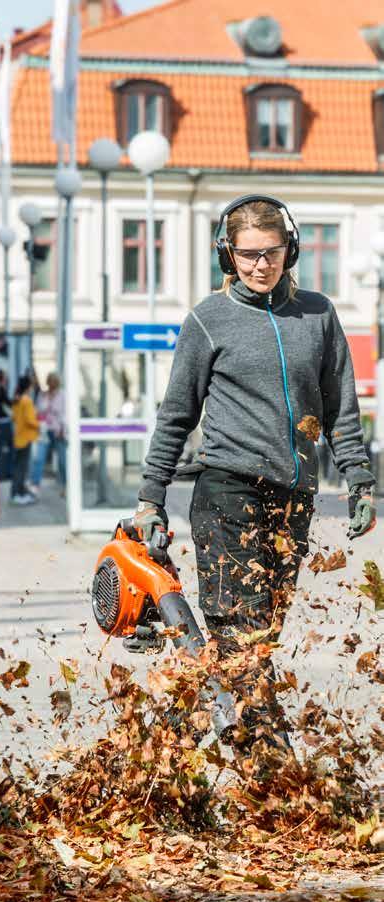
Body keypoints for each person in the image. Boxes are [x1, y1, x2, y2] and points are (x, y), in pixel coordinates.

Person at [133, 194, 376, 745]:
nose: (260, 264)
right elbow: (176, 416)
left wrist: (359, 478)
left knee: (257, 633)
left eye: (272, 252)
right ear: (228, 255)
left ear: (290, 251)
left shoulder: (318, 313)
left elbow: (340, 404)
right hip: (226, 490)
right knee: (242, 637)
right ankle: (271, 770)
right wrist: (151, 498)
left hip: (293, 496)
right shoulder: (208, 319)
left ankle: (162, 754)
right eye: (248, 254)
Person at [29, 372, 67, 495]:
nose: (51, 383)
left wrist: (63, 428)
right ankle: (35, 484)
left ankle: (66, 485)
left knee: (62, 460)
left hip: (58, 430)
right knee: (39, 458)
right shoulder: (42, 395)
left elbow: (65, 413)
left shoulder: (63, 395)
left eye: (53, 381)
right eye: (49, 381)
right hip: (44, 430)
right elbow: (37, 411)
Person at [11, 374, 40, 505]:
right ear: (28, 387)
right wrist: (39, 424)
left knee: (18, 467)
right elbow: (30, 420)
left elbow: (14, 417)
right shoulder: (26, 400)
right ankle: (18, 494)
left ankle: (16, 492)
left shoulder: (17, 399)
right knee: (22, 468)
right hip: (26, 437)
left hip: (18, 437)